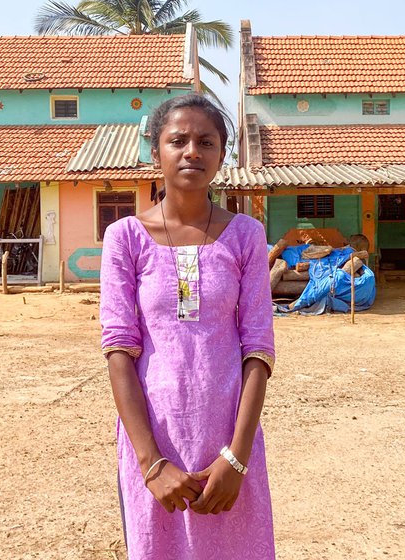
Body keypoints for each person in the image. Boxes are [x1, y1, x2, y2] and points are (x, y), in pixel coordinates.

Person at [100, 93, 276, 560]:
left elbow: (257, 350)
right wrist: (151, 463)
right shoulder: (126, 238)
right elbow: (119, 351)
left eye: (206, 141)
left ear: (223, 155)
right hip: (154, 440)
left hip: (230, 437)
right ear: (155, 151)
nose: (192, 151)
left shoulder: (246, 236)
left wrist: (236, 458)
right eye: (177, 140)